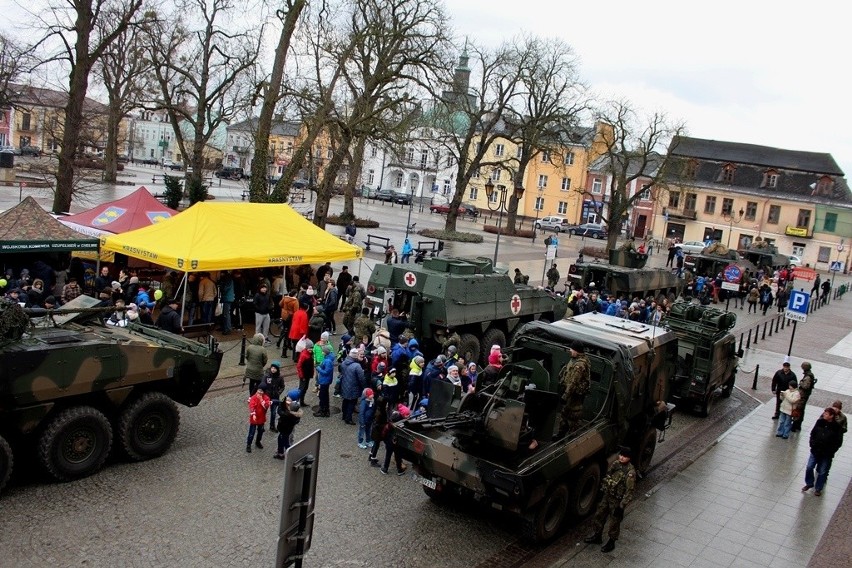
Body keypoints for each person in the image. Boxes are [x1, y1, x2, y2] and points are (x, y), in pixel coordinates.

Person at [584, 447, 636, 553]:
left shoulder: (630, 472)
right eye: (621, 455)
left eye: (625, 456)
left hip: (617, 500)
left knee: (614, 522)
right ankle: (597, 535)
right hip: (608, 495)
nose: (621, 457)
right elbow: (608, 475)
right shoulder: (616, 464)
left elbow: (629, 491)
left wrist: (622, 506)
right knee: (599, 515)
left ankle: (611, 541)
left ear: (629, 458)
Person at [802, 407, 844, 496]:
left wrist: (831, 450)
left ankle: (818, 488)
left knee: (822, 471)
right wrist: (812, 443)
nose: (824, 415)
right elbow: (813, 433)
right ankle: (809, 483)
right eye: (824, 413)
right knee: (809, 467)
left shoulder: (837, 427)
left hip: (826, 453)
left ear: (831, 416)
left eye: (826, 414)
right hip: (815, 450)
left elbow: (838, 441)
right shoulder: (820, 422)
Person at [558, 340, 591, 436]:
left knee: (574, 416)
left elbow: (573, 382)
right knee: (564, 413)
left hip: (575, 394)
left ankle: (572, 436)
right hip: (570, 393)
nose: (570, 351)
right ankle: (561, 433)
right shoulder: (575, 359)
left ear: (577, 351)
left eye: (571, 349)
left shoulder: (580, 365)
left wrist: (565, 396)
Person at [273, 391, 303, 459]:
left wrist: (285, 413)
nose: (287, 398)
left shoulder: (291, 414)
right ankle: (280, 452)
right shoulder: (286, 403)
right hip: (283, 428)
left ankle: (290, 455)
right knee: (281, 439)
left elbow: (282, 413)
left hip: (285, 429)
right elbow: (280, 403)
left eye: (289, 398)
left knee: (286, 442)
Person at [340, 348, 366, 425]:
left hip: (344, 385)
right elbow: (361, 378)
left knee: (345, 400)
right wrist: (364, 386)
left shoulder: (344, 362)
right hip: (353, 387)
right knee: (352, 402)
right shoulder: (357, 366)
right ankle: (348, 419)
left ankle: (344, 415)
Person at [258, 361, 285, 432]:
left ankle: (272, 426)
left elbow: (282, 386)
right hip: (267, 396)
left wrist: (278, 392)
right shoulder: (267, 376)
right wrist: (264, 394)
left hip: (275, 397)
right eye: (272, 368)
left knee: (273, 413)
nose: (273, 369)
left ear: (277, 369)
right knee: (264, 412)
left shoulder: (280, 377)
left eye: (275, 368)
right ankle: (261, 425)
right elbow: (262, 385)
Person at [793, 361, 818, 432]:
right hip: (804, 395)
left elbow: (806, 386)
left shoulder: (808, 376)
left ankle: (795, 425)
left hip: (803, 396)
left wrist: (801, 383)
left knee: (798, 410)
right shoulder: (809, 374)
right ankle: (797, 425)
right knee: (801, 410)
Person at [246, 384, 271, 452]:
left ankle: (258, 442)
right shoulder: (253, 397)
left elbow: (266, 406)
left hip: (261, 419)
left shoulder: (266, 398)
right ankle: (248, 444)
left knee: (260, 432)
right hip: (254, 419)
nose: (259, 392)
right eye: (259, 390)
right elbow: (251, 406)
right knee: (251, 433)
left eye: (261, 391)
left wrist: (261, 399)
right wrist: (253, 414)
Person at [313, 344, 335, 417]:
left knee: (323, 397)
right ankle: (325, 410)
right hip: (325, 381)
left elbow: (326, 372)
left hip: (324, 381)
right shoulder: (328, 358)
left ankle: (323, 411)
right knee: (324, 396)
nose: (322, 352)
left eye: (323, 351)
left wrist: (318, 368)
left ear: (325, 352)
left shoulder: (328, 361)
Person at [295, 339, 314, 406]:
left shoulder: (309, 354)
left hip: (307, 375)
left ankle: (301, 402)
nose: (311, 349)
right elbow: (299, 366)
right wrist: (301, 376)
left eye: (312, 348)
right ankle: (297, 402)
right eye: (309, 348)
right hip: (304, 375)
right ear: (306, 347)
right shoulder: (304, 355)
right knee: (301, 389)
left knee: (305, 388)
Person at [218, 271, 235, 335]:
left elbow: (225, 289)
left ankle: (227, 329)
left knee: (226, 314)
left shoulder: (227, 279)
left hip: (227, 298)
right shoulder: (229, 279)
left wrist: (221, 286)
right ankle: (225, 327)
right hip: (228, 298)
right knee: (225, 314)